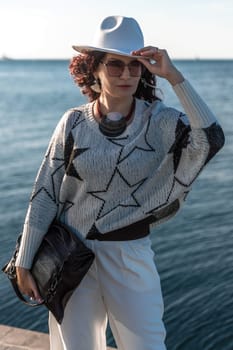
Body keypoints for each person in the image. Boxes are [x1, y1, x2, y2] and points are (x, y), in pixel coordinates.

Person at [15, 15, 224, 350]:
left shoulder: (160, 120)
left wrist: (174, 76)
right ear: (95, 68)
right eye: (115, 65)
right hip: (68, 256)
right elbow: (45, 194)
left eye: (134, 65)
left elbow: (210, 139)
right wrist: (25, 261)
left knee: (148, 345)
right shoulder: (72, 123)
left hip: (129, 256)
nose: (126, 74)